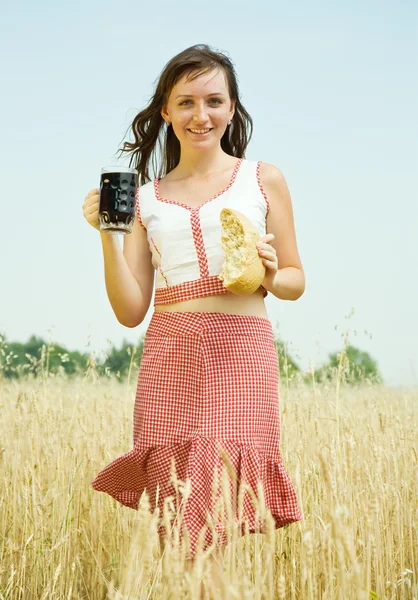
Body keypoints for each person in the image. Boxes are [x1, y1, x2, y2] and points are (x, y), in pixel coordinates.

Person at [82, 43, 305, 595]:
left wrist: (273, 272)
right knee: (182, 505)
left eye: (213, 101)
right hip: (171, 349)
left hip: (241, 348)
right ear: (165, 110)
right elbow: (131, 309)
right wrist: (111, 237)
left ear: (232, 109)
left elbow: (296, 281)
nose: (199, 115)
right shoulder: (145, 198)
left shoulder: (263, 178)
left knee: (215, 475)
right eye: (185, 102)